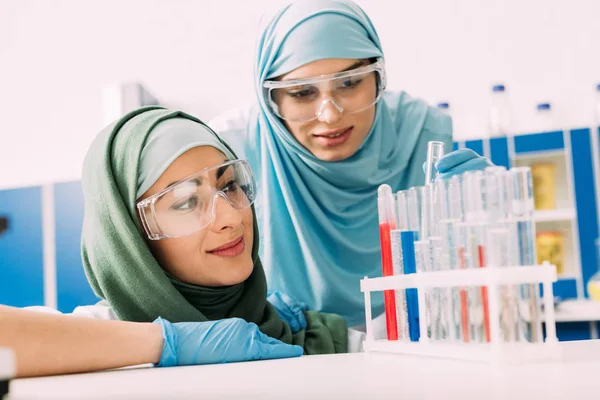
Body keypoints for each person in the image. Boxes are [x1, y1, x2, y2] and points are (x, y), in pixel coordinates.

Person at [0, 107, 356, 378]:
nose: (231, 218)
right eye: (186, 203)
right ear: (131, 239)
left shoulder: (314, 337)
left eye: (229, 185)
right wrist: (166, 342)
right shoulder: (89, 339)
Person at [210, 0, 493, 326]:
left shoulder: (421, 134)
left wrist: (487, 208)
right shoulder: (232, 151)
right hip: (289, 351)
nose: (330, 115)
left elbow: (466, 280)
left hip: (415, 341)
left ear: (379, 77)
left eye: (349, 83)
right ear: (270, 99)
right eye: (302, 93)